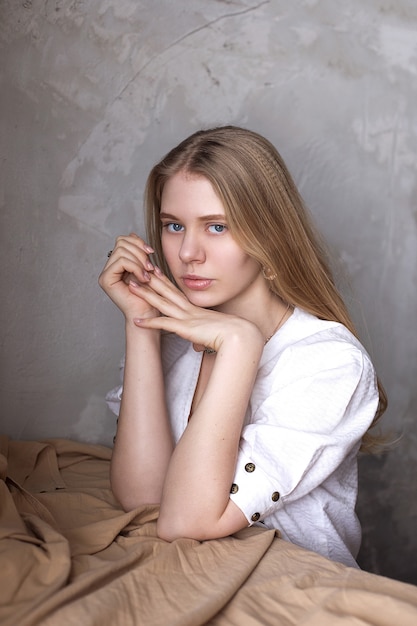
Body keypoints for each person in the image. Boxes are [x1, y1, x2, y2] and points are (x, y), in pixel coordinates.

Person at [99, 125, 387, 568]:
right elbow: (143, 500)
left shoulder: (329, 363)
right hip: (190, 576)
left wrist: (238, 343)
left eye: (217, 227)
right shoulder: (175, 341)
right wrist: (141, 322)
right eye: (174, 226)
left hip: (299, 592)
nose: (188, 252)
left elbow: (186, 522)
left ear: (268, 235)